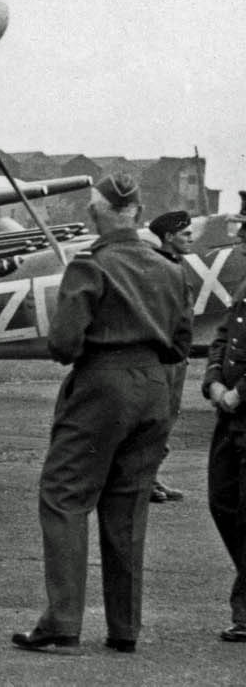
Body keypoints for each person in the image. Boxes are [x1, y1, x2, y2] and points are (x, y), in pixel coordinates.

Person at [12, 174, 192, 654]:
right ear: (137, 211)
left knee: (65, 496)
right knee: (128, 509)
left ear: (101, 211)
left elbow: (63, 345)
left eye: (93, 205)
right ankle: (124, 629)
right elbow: (180, 344)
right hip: (154, 390)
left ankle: (63, 623)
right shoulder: (170, 267)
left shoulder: (89, 267)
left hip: (101, 388)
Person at [206, 259, 246, 643]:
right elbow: (223, 337)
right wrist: (214, 381)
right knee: (222, 501)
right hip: (231, 416)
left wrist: (239, 391)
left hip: (241, 405)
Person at [148, 209, 197, 503]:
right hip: (162, 358)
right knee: (155, 420)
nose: (191, 238)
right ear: (168, 236)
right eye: (185, 234)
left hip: (177, 359)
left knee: (167, 420)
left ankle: (151, 475)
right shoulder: (157, 267)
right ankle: (142, 481)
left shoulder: (178, 265)